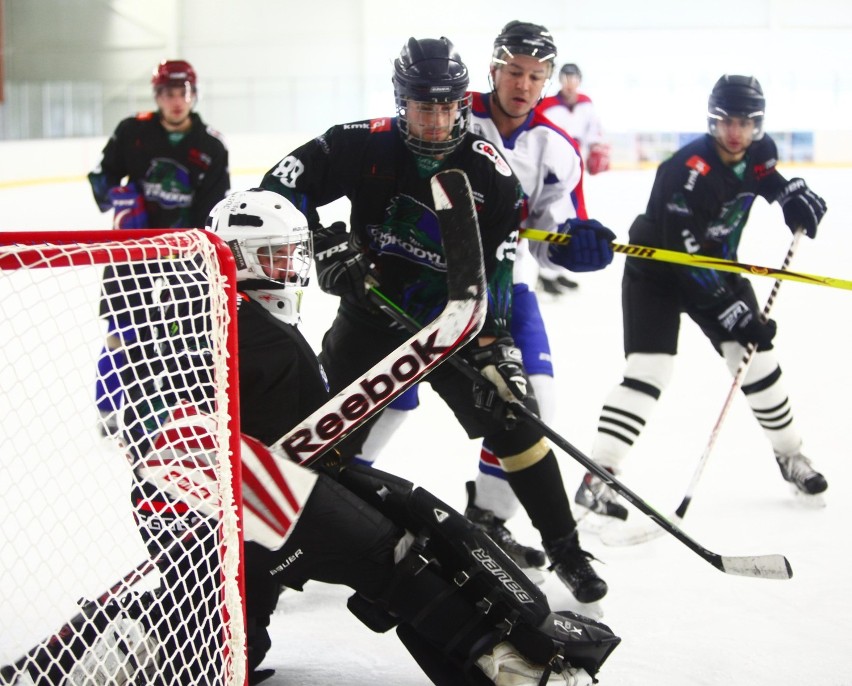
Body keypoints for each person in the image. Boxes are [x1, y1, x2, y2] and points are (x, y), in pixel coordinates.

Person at [2, 190, 621, 686]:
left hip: (216, 504)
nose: (291, 266)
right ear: (238, 258)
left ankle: (113, 648)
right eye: (274, 254)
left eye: (292, 250)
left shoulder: (217, 311)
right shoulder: (250, 329)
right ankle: (509, 663)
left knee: (227, 653)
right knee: (397, 553)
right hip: (235, 502)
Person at [259, 36, 614, 605]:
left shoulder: (491, 173)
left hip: (452, 322)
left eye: (448, 107)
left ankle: (566, 550)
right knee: (322, 436)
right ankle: (278, 558)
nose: (437, 120)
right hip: (372, 316)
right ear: (403, 102)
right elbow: (277, 188)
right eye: (424, 107)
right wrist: (321, 242)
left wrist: (497, 347)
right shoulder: (360, 143)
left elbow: (497, 273)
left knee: (516, 422)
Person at [575, 74, 829, 524]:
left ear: (758, 125)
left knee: (756, 362)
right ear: (712, 121)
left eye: (746, 122)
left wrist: (789, 196)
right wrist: (734, 313)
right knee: (649, 371)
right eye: (725, 121)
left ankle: (792, 457)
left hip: (718, 267)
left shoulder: (760, 152)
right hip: (659, 272)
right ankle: (598, 477)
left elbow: (766, 178)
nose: (735, 132)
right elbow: (684, 258)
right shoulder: (684, 171)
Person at [88, 58, 230, 436]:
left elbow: (213, 209)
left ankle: (172, 411)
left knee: (183, 334)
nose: (175, 100)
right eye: (168, 93)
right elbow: (103, 179)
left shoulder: (211, 146)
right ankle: (108, 409)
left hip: (183, 255)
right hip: (131, 252)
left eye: (181, 92)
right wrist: (116, 195)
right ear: (158, 96)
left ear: (192, 94)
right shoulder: (133, 131)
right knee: (122, 332)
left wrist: (191, 245)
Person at [537, 63, 610, 296]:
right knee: (552, 215)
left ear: (579, 80)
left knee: (573, 215)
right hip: (552, 168)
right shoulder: (547, 105)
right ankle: (544, 274)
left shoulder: (586, 104)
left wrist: (596, 148)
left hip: (576, 166)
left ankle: (557, 272)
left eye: (573, 78)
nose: (569, 83)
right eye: (565, 78)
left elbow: (594, 131)